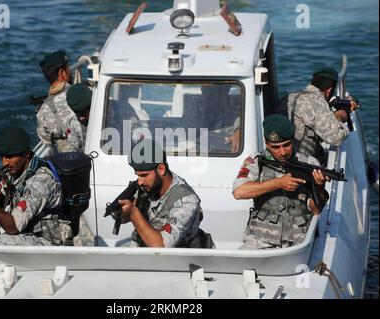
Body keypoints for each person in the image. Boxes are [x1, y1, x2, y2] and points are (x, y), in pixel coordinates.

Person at [232, 114, 329, 250]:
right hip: (260, 239)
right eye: (275, 147)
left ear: (293, 140)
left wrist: (319, 187)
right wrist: (278, 183)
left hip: (299, 242)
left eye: (286, 145)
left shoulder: (309, 163)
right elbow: (239, 192)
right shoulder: (257, 161)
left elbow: (316, 209)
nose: (282, 152)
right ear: (266, 143)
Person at [0, 126, 72, 246]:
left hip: (50, 241)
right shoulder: (15, 172)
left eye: (10, 157)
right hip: (29, 233)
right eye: (2, 156)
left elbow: (14, 226)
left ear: (26, 153)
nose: (5, 162)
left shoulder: (40, 182)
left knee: (2, 241)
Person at [118, 139, 215, 248]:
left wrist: (133, 213)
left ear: (161, 169)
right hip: (145, 251)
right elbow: (124, 218)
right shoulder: (148, 186)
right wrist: (121, 213)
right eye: (137, 175)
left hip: (177, 259)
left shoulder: (186, 200)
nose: (140, 181)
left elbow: (161, 246)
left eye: (144, 175)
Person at [286, 68, 359, 164]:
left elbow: (312, 116)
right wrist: (341, 117)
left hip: (287, 153)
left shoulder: (293, 95)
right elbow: (336, 138)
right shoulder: (316, 102)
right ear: (329, 90)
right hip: (301, 161)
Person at [36, 50, 86, 154]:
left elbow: (47, 144)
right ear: (61, 73)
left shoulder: (42, 112)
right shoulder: (81, 94)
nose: (70, 71)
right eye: (68, 68)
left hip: (67, 164)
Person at [66, 82, 92, 148]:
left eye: (84, 112)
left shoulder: (108, 116)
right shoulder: (74, 123)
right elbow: (73, 147)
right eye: (77, 113)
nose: (81, 118)